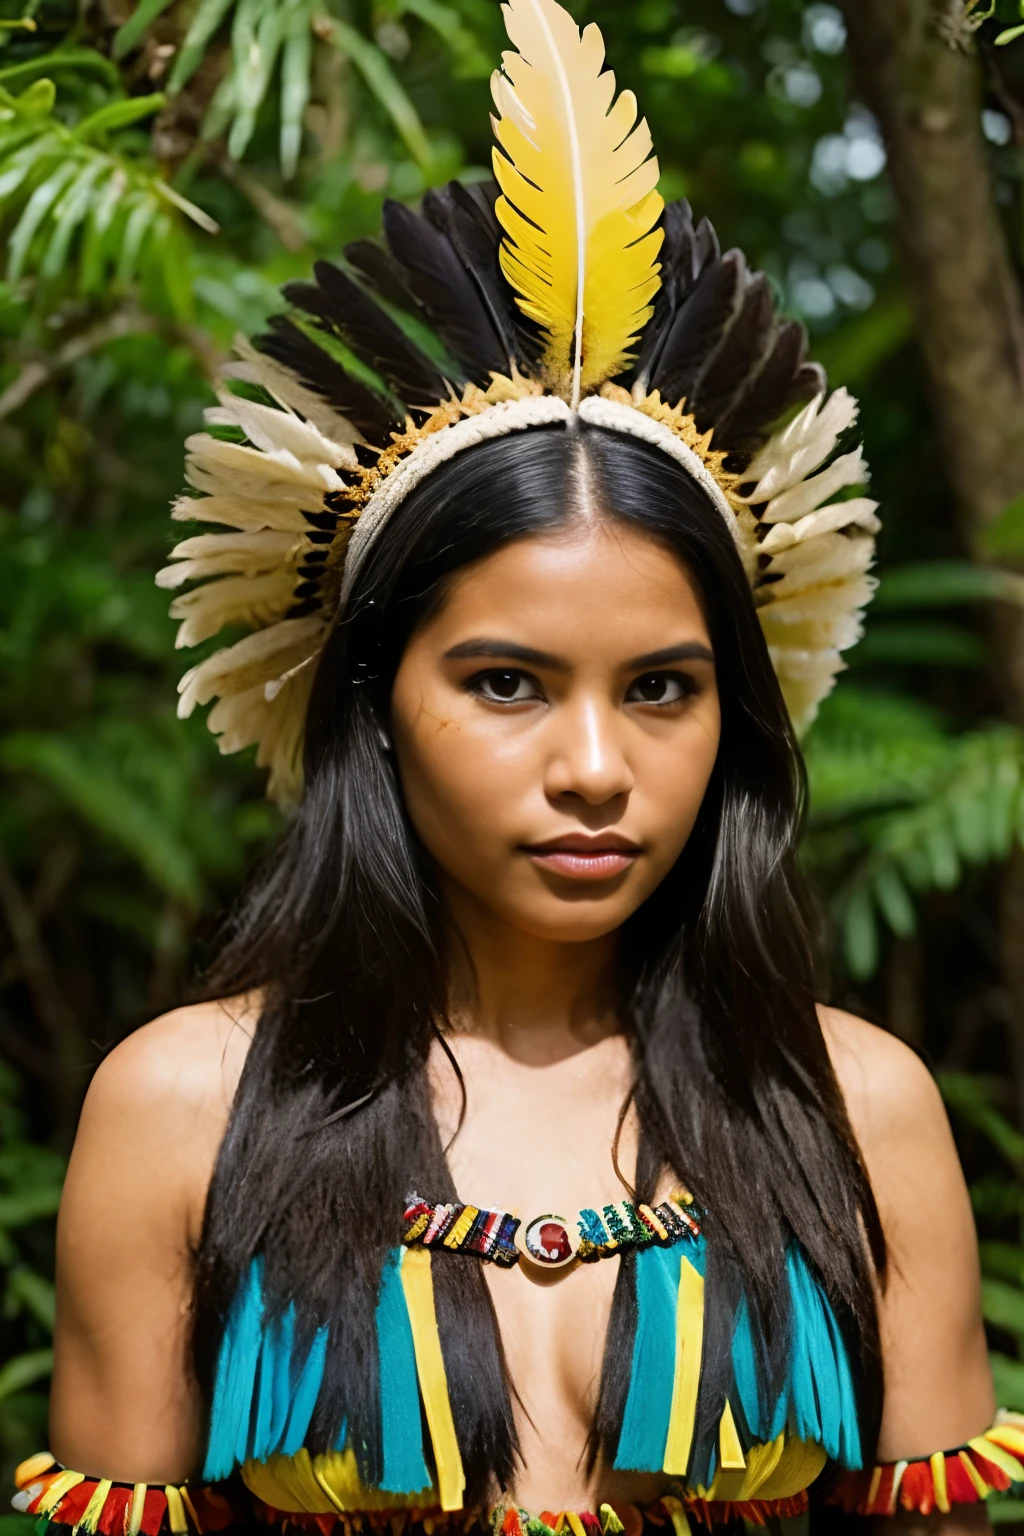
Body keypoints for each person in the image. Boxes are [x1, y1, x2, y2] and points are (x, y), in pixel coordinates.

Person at [12, 2, 1019, 1533]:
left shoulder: (853, 1110)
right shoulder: (185, 1111)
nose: (598, 768)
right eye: (505, 684)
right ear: (373, 700)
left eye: (665, 689)